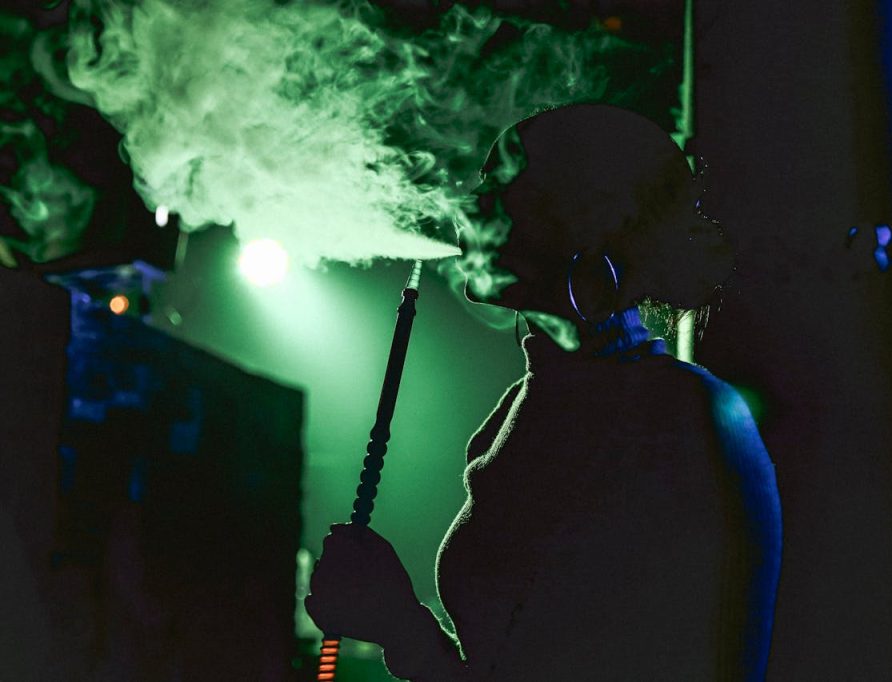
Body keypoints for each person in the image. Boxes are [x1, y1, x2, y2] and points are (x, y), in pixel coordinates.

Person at [305, 104, 782, 681]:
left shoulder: (684, 418)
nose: (465, 206)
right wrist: (398, 627)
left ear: (581, 218)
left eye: (503, 184)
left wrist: (401, 624)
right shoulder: (517, 411)